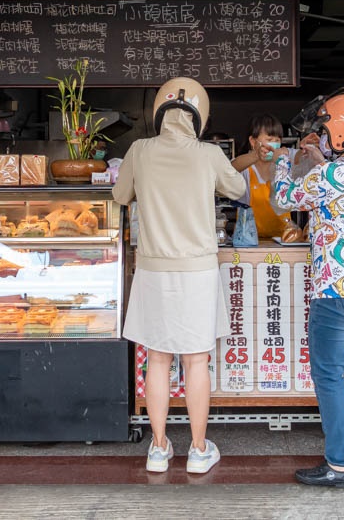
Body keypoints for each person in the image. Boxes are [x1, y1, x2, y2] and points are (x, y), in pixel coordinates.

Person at [113, 77, 246, 475]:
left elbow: (119, 196)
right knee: (195, 361)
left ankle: (157, 449)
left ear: (159, 113)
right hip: (198, 272)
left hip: (153, 269)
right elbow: (238, 187)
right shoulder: (207, 154)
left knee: (156, 360)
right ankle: (199, 450)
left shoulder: (139, 150)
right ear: (199, 116)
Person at [270, 93, 344, 488]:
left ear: (341, 133)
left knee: (327, 375)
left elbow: (281, 200)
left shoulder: (333, 175)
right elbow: (339, 184)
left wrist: (286, 158)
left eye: (323, 130)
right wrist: (319, 161)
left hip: (337, 292)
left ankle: (338, 466)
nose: (319, 136)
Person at [230, 113, 297, 241]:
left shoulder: (283, 163)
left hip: (284, 239)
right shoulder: (245, 167)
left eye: (277, 140)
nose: (274, 144)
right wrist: (256, 155)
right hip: (248, 240)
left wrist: (307, 148)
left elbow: (303, 157)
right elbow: (229, 169)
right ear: (253, 141)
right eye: (270, 139)